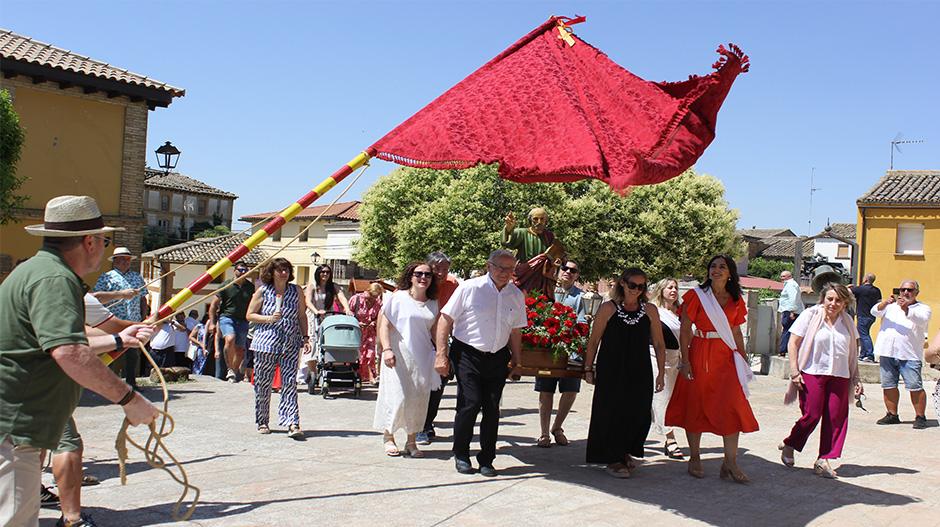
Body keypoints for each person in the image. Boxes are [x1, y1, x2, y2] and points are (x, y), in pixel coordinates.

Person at [0, 195, 158, 527]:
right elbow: (69, 353)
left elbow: (62, 338)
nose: (104, 247)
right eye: (104, 239)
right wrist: (129, 399)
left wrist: (119, 339)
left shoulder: (37, 271)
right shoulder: (55, 280)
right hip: (14, 429)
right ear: (89, 242)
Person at [666, 254, 759, 483]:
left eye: (722, 267)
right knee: (695, 404)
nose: (716, 270)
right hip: (700, 352)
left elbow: (736, 331)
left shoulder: (736, 298)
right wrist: (685, 360)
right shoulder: (697, 296)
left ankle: (730, 462)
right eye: (713, 266)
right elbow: (686, 329)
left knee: (733, 406)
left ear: (730, 273)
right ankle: (695, 457)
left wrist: (744, 359)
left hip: (726, 356)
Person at [434, 249, 525, 477]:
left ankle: (487, 459)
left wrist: (518, 359)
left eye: (510, 269)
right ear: (489, 266)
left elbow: (515, 330)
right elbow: (445, 320)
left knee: (492, 408)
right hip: (467, 354)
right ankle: (461, 454)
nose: (505, 273)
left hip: (497, 357)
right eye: (501, 268)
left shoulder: (515, 294)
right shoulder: (469, 288)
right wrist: (441, 355)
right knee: (470, 403)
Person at [584, 269, 666, 478]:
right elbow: (594, 341)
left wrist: (661, 373)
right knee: (611, 410)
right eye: (632, 285)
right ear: (622, 283)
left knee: (638, 411)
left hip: (639, 367)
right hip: (612, 367)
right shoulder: (608, 308)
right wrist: (588, 368)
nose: (636, 290)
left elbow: (658, 342)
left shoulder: (650, 310)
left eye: (641, 287)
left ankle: (626, 451)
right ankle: (613, 458)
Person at [780, 283, 863, 478]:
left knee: (836, 417)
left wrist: (856, 378)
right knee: (812, 414)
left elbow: (853, 352)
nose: (833, 303)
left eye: (838, 300)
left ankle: (823, 459)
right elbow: (793, 343)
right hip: (812, 372)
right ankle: (791, 443)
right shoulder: (810, 315)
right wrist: (794, 371)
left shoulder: (848, 322)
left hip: (840, 375)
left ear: (845, 303)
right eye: (830, 299)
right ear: (823, 299)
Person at [374, 262, 440, 457]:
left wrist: (442, 354)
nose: (423, 278)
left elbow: (435, 331)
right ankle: (389, 437)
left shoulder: (434, 303)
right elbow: (384, 325)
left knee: (418, 399)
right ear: (410, 276)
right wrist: (386, 349)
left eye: (427, 274)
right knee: (397, 396)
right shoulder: (398, 298)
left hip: (423, 357)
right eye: (418, 274)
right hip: (397, 355)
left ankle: (411, 442)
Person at [246, 258, 309, 439]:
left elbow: (301, 315)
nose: (284, 273)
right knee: (263, 383)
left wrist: (305, 337)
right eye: (280, 270)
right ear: (272, 272)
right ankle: (262, 420)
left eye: (287, 270)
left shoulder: (296, 291)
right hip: (266, 341)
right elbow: (249, 315)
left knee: (289, 382)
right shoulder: (263, 291)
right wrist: (268, 318)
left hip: (290, 341)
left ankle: (292, 422)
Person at [535, 259, 587, 448]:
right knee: (545, 391)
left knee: (570, 391)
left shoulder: (582, 297)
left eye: (573, 270)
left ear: (577, 275)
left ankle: (557, 428)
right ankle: (543, 433)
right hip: (547, 351)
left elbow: (582, 323)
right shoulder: (547, 292)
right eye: (565, 268)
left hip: (571, 351)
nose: (568, 272)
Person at [872, 280, 932, 429]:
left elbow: (921, 320)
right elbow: (874, 311)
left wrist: (906, 308)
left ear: (916, 292)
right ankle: (892, 414)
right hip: (887, 352)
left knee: (915, 386)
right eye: (903, 289)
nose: (906, 293)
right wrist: (885, 302)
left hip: (909, 354)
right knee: (889, 385)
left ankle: (920, 416)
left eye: (910, 290)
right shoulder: (890, 307)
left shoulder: (923, 308)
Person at [418, 251, 461, 445]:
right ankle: (418, 425)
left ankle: (427, 424)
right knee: (420, 386)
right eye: (437, 269)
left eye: (445, 269)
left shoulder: (453, 285)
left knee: (438, 384)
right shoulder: (418, 282)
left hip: (443, 342)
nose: (441, 273)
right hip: (419, 340)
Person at [93, 246, 148, 388]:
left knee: (132, 355)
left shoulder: (137, 277)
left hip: (133, 321)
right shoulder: (106, 277)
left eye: (128, 259)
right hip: (113, 323)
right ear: (115, 261)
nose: (125, 262)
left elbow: (143, 299)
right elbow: (97, 298)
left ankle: (131, 383)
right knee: (111, 353)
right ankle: (110, 385)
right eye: (122, 259)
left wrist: (143, 317)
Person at [648, 277, 685, 460]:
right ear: (661, 290)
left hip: (674, 360)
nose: (673, 290)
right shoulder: (654, 311)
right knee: (661, 397)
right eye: (669, 287)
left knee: (668, 400)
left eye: (676, 287)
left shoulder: (680, 313)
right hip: (654, 358)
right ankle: (671, 439)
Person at [301, 263, 350, 387]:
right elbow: (307, 301)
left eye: (328, 272)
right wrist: (316, 311)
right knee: (312, 343)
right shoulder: (312, 286)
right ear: (318, 273)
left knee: (327, 343)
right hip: (314, 316)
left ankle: (326, 370)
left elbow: (342, 297)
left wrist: (347, 309)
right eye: (323, 272)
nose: (325, 274)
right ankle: (313, 373)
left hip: (328, 317)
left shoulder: (333, 287)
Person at [208, 261, 255, 383]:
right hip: (227, 317)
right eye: (240, 270)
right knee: (230, 339)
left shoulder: (250, 287)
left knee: (240, 349)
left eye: (245, 270)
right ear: (234, 271)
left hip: (243, 320)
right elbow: (213, 305)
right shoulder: (226, 285)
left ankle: (234, 370)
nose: (242, 272)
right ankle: (229, 368)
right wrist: (212, 323)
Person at [502, 207, 562, 295]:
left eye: (542, 219)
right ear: (530, 220)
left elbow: (555, 254)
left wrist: (556, 262)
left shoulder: (549, 236)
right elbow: (508, 243)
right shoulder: (521, 233)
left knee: (541, 302)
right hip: (524, 275)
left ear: (546, 221)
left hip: (542, 277)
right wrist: (509, 229)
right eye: (535, 219)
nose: (539, 222)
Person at [349, 283, 384, 385]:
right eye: (372, 296)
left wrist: (374, 322)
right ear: (368, 291)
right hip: (356, 332)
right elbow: (348, 313)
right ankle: (356, 375)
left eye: (375, 297)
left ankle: (371, 376)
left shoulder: (378, 303)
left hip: (370, 332)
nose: (373, 299)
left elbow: (379, 317)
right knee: (357, 355)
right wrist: (357, 323)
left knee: (371, 354)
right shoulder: (356, 299)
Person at [851, 273, 882, 362]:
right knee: (863, 334)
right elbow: (879, 302)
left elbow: (847, 292)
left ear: (865, 280)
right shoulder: (877, 290)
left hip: (862, 315)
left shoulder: (860, 289)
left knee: (864, 335)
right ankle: (863, 354)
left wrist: (848, 286)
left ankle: (869, 355)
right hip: (872, 316)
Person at [777, 270, 805, 357]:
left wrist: (792, 311)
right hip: (789, 311)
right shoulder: (789, 284)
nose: (781, 278)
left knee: (787, 330)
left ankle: (783, 350)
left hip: (791, 311)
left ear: (789, 276)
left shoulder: (790, 284)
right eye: (781, 276)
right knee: (787, 330)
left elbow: (793, 298)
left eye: (783, 276)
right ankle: (785, 350)